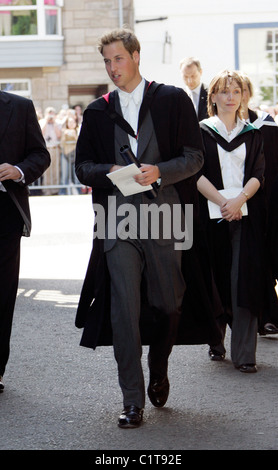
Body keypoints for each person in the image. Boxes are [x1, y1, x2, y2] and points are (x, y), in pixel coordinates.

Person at [74, 28, 221, 428]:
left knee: (168, 304)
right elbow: (82, 167)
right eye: (106, 61)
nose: (112, 68)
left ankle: (159, 367)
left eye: (118, 59)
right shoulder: (97, 111)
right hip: (116, 222)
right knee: (124, 310)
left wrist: (161, 171)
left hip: (166, 218)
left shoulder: (172, 100)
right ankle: (132, 400)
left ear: (136, 56)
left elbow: (194, 158)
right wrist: (110, 171)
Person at [197, 70, 267, 373]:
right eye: (224, 91)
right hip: (211, 215)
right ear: (213, 96)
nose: (230, 97)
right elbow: (194, 172)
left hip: (244, 216)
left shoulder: (252, 132)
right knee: (214, 279)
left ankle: (244, 355)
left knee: (243, 280)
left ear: (243, 96)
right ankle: (216, 338)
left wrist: (239, 201)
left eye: (236, 91)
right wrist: (223, 202)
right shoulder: (201, 131)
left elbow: (258, 173)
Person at [0, 90, 50, 392]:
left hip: (5, 214)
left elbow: (40, 155)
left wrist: (18, 170)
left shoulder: (19, 106)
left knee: (2, 295)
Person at [239, 71, 278, 336]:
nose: (235, 97)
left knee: (267, 256)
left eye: (240, 91)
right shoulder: (217, 128)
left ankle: (268, 315)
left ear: (249, 95)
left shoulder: (267, 124)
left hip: (267, 200)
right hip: (235, 203)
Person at [39, 106, 61, 195]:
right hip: (46, 149)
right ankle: (46, 189)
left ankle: (55, 189)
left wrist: (54, 123)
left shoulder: (58, 123)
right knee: (46, 170)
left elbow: (59, 135)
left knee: (55, 170)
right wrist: (46, 121)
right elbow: (40, 133)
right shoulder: (41, 122)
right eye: (49, 114)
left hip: (55, 148)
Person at [180, 57, 208, 121]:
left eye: (193, 76)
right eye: (185, 77)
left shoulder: (211, 94)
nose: (190, 81)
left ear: (200, 72)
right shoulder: (179, 96)